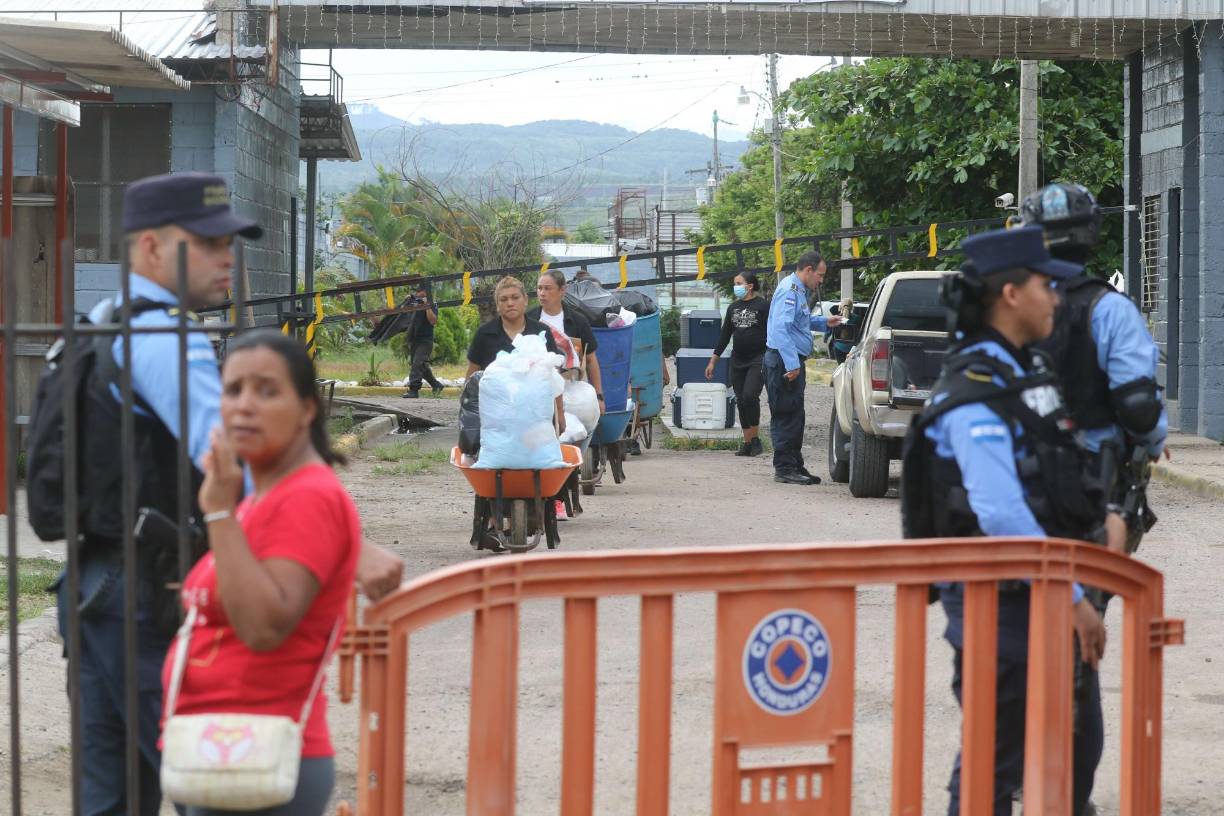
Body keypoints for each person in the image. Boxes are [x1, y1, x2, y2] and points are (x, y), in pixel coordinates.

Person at [52, 172, 403, 816]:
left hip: (91, 584)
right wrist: (353, 550)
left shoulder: (102, 320)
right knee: (212, 781)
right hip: (146, 593)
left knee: (110, 798)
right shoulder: (166, 337)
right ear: (153, 248)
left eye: (230, 243)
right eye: (209, 243)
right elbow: (236, 458)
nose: (227, 258)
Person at [900, 226, 1117, 816]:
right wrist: (1073, 597)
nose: (1056, 298)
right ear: (1012, 295)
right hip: (1003, 608)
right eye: (1047, 285)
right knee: (994, 767)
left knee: (1068, 752)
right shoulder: (975, 392)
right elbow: (999, 511)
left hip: (1038, 599)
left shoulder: (1023, 373)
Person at [163, 330, 359, 815]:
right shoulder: (265, 494)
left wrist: (218, 513)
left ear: (307, 408)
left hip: (257, 763)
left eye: (267, 391)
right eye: (233, 390)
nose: (244, 406)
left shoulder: (307, 497)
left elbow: (263, 626)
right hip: (219, 751)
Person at [1021, 182, 1169, 816]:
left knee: (1015, 644)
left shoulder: (1010, 304)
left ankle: (1013, 784)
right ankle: (1068, 800)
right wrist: (1153, 435)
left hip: (1015, 497)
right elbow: (1140, 406)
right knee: (1077, 647)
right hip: (1094, 502)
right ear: (1091, 236)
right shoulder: (1109, 309)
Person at [763, 251, 842, 484]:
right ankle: (785, 468)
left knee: (796, 414)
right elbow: (780, 329)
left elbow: (799, 321)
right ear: (808, 270)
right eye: (820, 275)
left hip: (790, 360)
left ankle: (795, 464)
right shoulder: (790, 291)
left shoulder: (797, 290)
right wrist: (792, 364)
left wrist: (824, 322)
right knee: (786, 414)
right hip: (784, 362)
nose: (821, 280)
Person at [466, 276, 564, 435]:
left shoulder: (541, 332)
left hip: (536, 417)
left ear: (525, 300)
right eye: (503, 299)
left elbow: (553, 376)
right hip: (495, 418)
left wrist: (559, 412)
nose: (510, 303)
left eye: (515, 297)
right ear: (497, 305)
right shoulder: (485, 335)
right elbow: (471, 379)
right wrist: (469, 416)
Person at [707, 272, 769, 456]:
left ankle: (756, 439)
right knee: (741, 401)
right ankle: (747, 442)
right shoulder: (733, 307)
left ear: (750, 286)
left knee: (750, 396)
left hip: (758, 358)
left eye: (739, 283)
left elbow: (772, 331)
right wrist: (713, 361)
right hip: (738, 359)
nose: (736, 287)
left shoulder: (763, 306)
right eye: (735, 283)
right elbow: (725, 335)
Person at [529, 268, 605, 412]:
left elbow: (590, 359)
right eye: (539, 288)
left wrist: (599, 396)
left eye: (547, 288)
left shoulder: (578, 321)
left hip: (571, 393)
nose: (542, 293)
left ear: (562, 290)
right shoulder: (529, 319)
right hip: (537, 394)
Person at [401, 284, 444, 399]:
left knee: (418, 363)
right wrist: (407, 301)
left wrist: (426, 306)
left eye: (420, 293)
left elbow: (433, 321)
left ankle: (413, 390)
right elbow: (403, 315)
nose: (418, 295)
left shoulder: (431, 303)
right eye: (416, 293)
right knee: (421, 366)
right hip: (414, 339)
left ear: (426, 293)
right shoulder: (413, 301)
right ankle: (436, 385)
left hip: (425, 340)